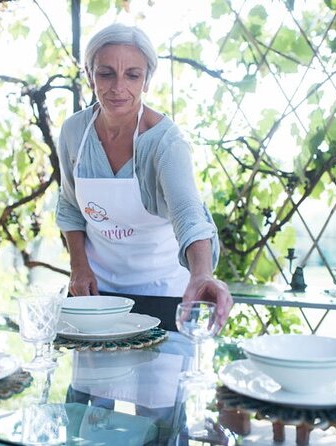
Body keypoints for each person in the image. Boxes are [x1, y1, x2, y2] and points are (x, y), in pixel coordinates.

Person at [55, 23, 232, 326]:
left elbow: (189, 214)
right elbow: (71, 208)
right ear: (89, 75)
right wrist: (79, 267)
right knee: (92, 374)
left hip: (164, 294)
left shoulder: (165, 142)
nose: (117, 87)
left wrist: (202, 274)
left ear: (147, 80)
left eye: (133, 75)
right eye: (106, 73)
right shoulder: (74, 132)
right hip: (98, 296)